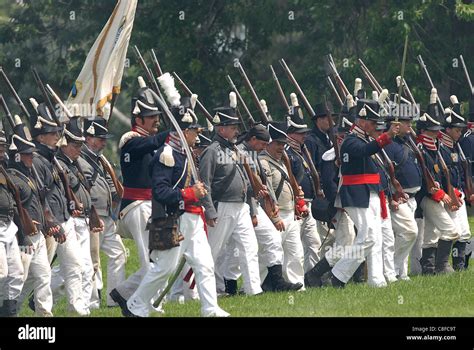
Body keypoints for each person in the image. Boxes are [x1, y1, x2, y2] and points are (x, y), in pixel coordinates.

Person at [126, 75, 229, 317]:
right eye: (193, 130)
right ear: (183, 132)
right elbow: (160, 193)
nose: (197, 135)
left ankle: (210, 309)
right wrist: (189, 193)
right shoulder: (167, 155)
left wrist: (197, 194)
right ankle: (136, 304)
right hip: (176, 217)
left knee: (205, 264)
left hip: (192, 218)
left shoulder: (186, 154)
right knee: (164, 268)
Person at [304, 98, 400, 288]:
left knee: (373, 237)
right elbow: (364, 150)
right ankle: (339, 275)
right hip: (356, 194)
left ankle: (370, 278)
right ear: (362, 122)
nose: (375, 126)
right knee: (369, 236)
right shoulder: (351, 141)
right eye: (373, 123)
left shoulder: (363, 139)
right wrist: (387, 136)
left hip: (369, 193)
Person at [111, 77, 168, 312]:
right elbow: (149, 143)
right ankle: (141, 303)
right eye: (152, 116)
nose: (156, 120)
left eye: (157, 116)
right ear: (138, 118)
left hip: (152, 205)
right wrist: (172, 132)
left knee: (159, 260)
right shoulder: (130, 139)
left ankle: (123, 293)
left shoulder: (151, 142)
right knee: (150, 262)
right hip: (136, 206)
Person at [199, 92, 262, 296]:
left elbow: (245, 180)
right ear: (221, 128)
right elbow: (204, 182)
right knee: (212, 251)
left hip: (241, 205)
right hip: (222, 205)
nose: (236, 132)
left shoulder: (236, 150)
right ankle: (206, 290)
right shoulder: (211, 150)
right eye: (233, 128)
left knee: (249, 247)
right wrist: (209, 210)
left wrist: (251, 208)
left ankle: (254, 289)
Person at [29, 99, 87, 315]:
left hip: (65, 218)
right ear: (41, 136)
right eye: (52, 133)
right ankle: (13, 305)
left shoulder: (52, 158)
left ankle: (77, 308)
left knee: (75, 266)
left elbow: (63, 187)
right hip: (50, 224)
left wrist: (71, 202)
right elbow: (40, 195)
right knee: (37, 273)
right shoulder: (37, 160)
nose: (57, 136)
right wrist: (50, 221)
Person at [80, 117, 126, 308]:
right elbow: (85, 191)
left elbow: (109, 185)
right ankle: (91, 302)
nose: (103, 142)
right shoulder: (82, 160)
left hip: (107, 215)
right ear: (88, 138)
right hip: (93, 216)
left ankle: (114, 298)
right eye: (99, 138)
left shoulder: (101, 159)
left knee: (119, 253)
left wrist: (116, 197)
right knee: (91, 260)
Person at [259, 122, 306, 288]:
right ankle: (255, 285)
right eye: (278, 143)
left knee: (295, 253)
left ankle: (296, 283)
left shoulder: (281, 161)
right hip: (276, 214)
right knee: (270, 254)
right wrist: (274, 216)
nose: (281, 147)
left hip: (290, 213)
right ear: (269, 143)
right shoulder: (264, 163)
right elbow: (269, 193)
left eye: (283, 144)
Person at [0, 126, 24, 317]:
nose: (2, 152)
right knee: (1, 274)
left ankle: (9, 314)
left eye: (3, 148)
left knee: (16, 274)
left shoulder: (4, 169)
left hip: (8, 226)